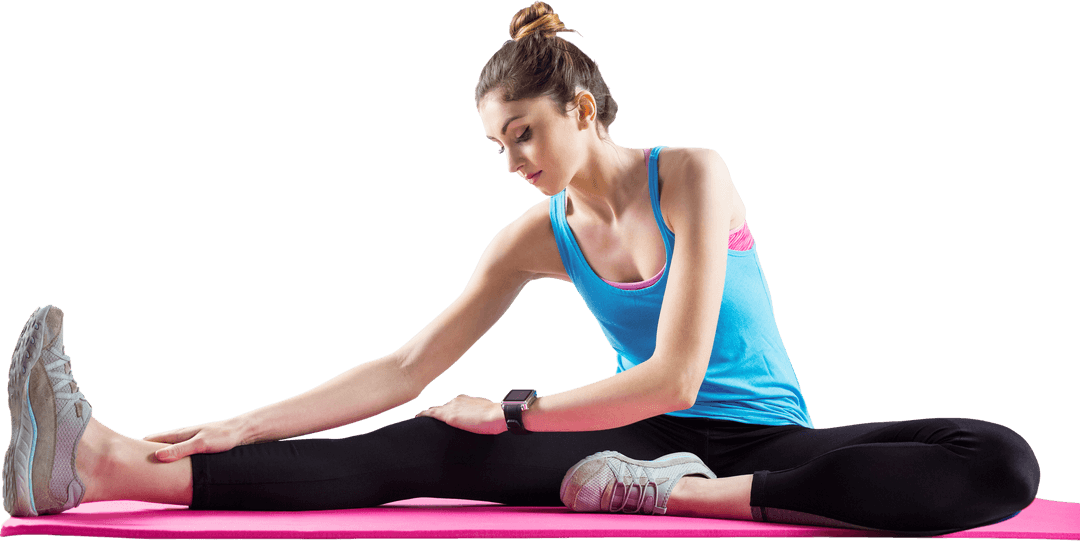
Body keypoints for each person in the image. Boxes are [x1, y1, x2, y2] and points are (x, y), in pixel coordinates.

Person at [4, 1, 1040, 536]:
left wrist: (514, 414)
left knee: (996, 458)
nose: (513, 163)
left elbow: (680, 379)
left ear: (580, 109)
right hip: (629, 438)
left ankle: (676, 500)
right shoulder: (537, 236)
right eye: (497, 147)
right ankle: (100, 462)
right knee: (417, 446)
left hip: (759, 438)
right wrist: (250, 419)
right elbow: (407, 364)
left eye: (524, 134)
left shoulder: (694, 175)